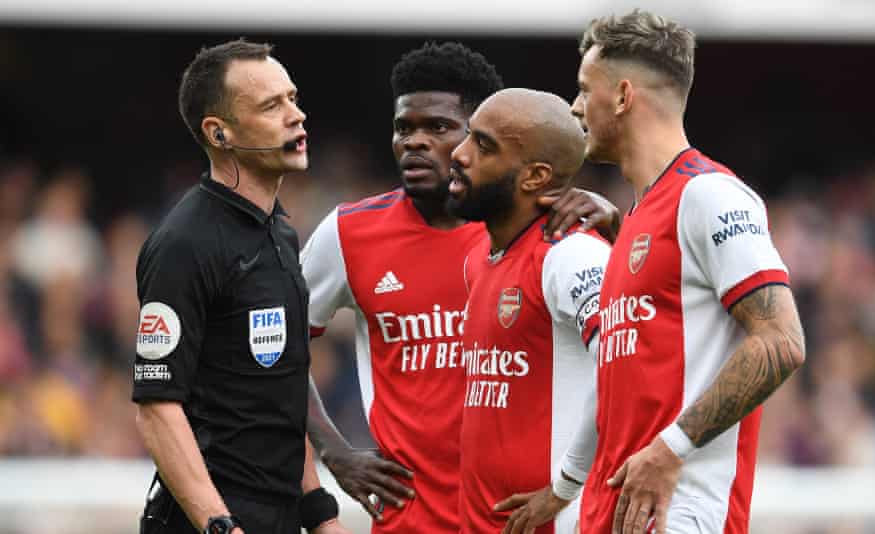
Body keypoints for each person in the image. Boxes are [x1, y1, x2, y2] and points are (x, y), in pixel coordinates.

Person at [298, 42, 620, 534]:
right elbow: (273, 344)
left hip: (525, 516)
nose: (415, 142)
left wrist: (615, 226)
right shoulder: (347, 234)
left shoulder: (537, 236)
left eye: (440, 128)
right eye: (404, 128)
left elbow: (629, 335)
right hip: (411, 520)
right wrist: (334, 451)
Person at [566, 10, 806, 534]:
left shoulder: (709, 194)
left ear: (624, 96)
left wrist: (669, 451)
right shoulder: (637, 218)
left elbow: (782, 341)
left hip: (680, 511)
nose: (575, 106)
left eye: (585, 89)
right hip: (617, 512)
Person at [132, 40, 342, 534]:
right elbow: (158, 408)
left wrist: (320, 516)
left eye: (292, 98)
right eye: (273, 105)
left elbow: (280, 396)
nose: (298, 116)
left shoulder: (281, 234)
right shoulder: (184, 243)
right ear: (219, 132)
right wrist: (220, 526)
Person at [447, 88, 610, 534]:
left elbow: (623, 368)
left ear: (535, 176)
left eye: (483, 145)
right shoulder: (478, 258)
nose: (458, 154)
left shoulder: (572, 255)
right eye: (467, 137)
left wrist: (566, 484)